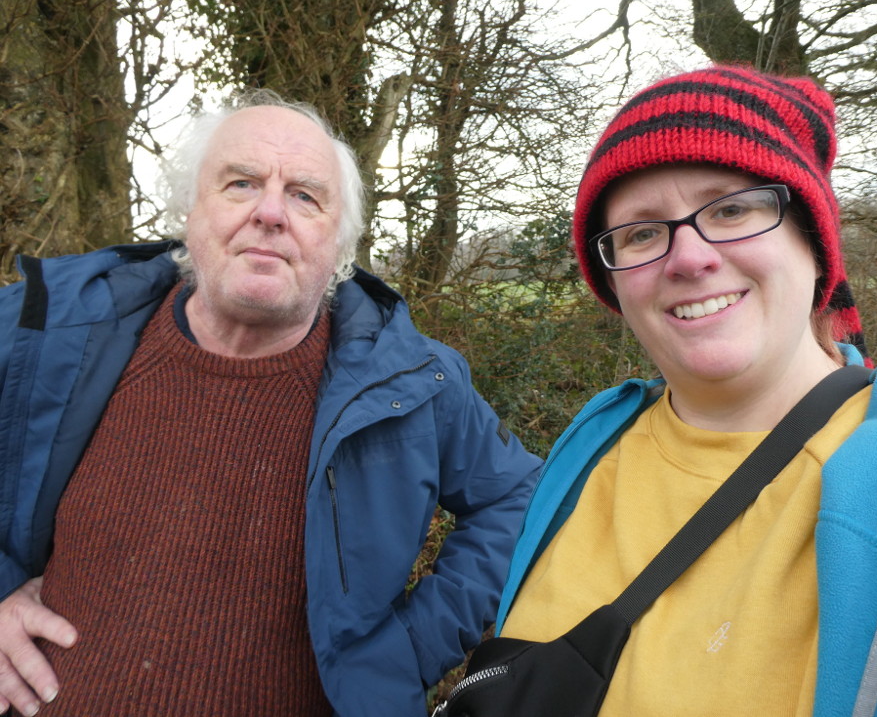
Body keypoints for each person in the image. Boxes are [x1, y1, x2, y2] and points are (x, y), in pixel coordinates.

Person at [0, 91, 541, 716]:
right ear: (190, 211)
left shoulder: (416, 382)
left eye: (306, 195)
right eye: (241, 183)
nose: (271, 213)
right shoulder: (52, 330)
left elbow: (519, 499)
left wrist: (406, 650)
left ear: (340, 242)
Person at [495, 66, 877, 715]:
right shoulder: (593, 438)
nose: (688, 257)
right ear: (614, 282)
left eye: (731, 209)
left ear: (813, 244)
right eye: (643, 232)